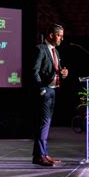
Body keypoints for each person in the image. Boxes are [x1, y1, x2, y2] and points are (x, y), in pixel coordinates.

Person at [32, 24, 69, 166]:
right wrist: (41, 89)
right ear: (51, 35)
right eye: (59, 35)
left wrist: (63, 73)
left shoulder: (55, 51)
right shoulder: (40, 49)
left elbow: (55, 70)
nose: (62, 39)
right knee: (44, 123)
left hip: (53, 90)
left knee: (46, 124)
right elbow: (34, 71)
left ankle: (42, 154)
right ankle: (40, 156)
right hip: (45, 91)